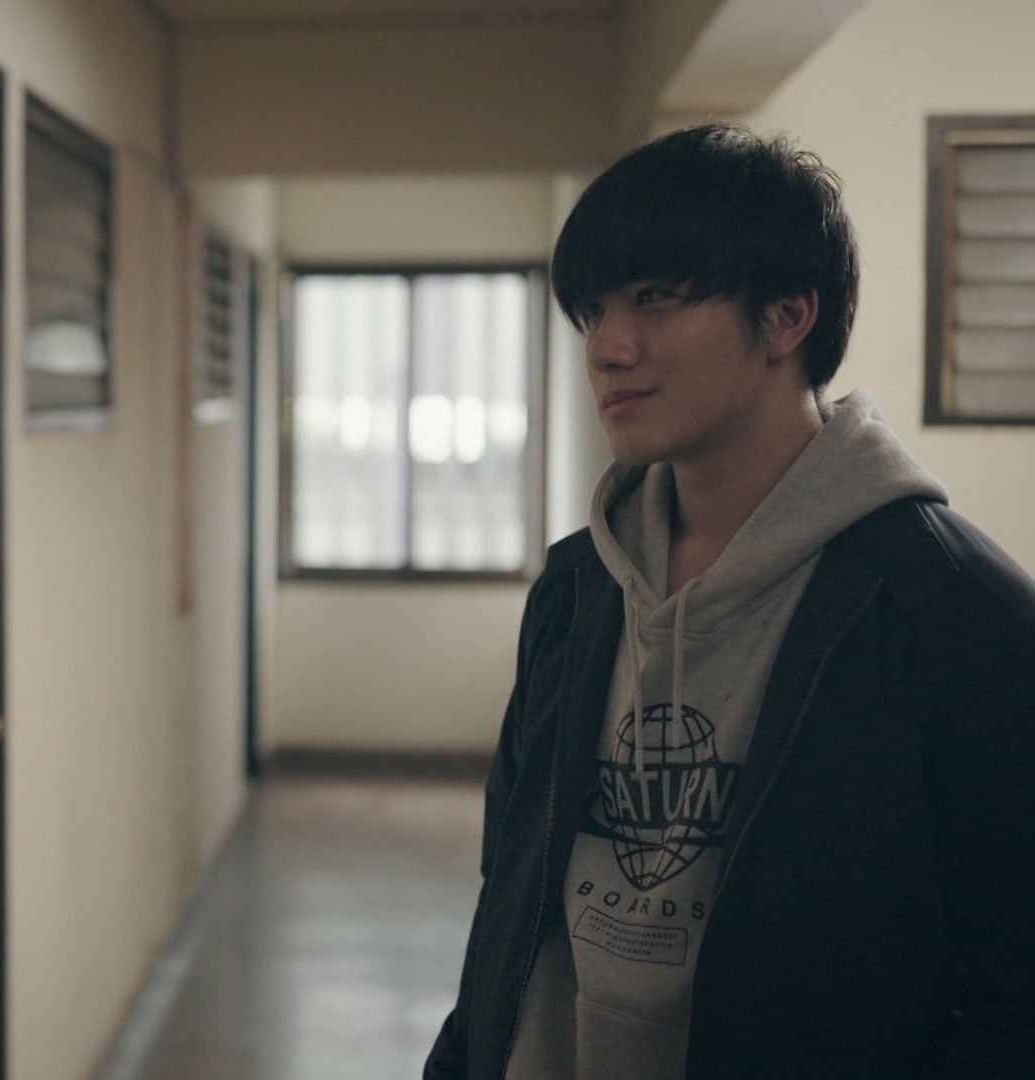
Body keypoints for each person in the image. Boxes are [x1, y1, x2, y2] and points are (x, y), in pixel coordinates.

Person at [425, 124, 1035, 1078]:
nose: (607, 349)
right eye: (594, 310)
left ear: (788, 316)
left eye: (656, 298)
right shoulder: (576, 592)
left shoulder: (954, 614)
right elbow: (509, 896)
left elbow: (1012, 997)